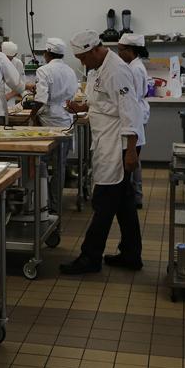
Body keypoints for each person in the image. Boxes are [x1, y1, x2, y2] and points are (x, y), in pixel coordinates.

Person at [61, 30, 143, 274]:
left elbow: (131, 110)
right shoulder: (100, 68)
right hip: (108, 140)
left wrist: (131, 151)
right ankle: (131, 254)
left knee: (104, 201)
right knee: (124, 202)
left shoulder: (116, 70)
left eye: (84, 58)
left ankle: (90, 257)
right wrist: (82, 106)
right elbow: (104, 101)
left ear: (96, 49)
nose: (83, 63)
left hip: (119, 143)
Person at [25, 37, 79, 213]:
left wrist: (32, 116)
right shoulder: (71, 71)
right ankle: (56, 205)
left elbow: (41, 99)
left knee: (40, 161)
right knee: (60, 165)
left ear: (47, 53)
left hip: (49, 121)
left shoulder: (44, 70)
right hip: (66, 119)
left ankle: (42, 202)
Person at [117, 33, 151, 209]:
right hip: (137, 113)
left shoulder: (135, 69)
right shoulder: (134, 65)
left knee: (132, 157)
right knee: (134, 158)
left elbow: (131, 98)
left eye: (121, 50)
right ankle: (136, 195)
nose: (119, 53)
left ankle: (135, 196)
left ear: (130, 50)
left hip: (136, 115)